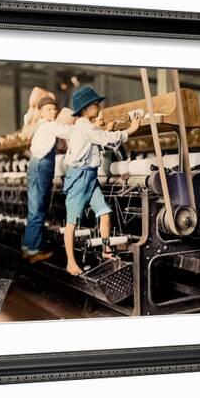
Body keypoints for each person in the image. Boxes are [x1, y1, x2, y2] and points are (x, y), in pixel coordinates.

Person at [62, 86, 141, 275]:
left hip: (90, 176)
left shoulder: (86, 126)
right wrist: (130, 130)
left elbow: (97, 137)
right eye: (95, 104)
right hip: (79, 177)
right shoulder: (83, 125)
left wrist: (105, 129)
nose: (98, 107)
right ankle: (71, 262)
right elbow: (103, 138)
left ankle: (106, 249)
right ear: (86, 108)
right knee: (71, 222)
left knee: (105, 213)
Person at [21, 96, 74, 263]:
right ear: (41, 112)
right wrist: (85, 125)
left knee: (35, 209)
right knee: (38, 209)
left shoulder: (40, 126)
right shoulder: (48, 125)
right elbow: (68, 131)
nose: (53, 111)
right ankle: (34, 251)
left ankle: (28, 248)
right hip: (41, 167)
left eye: (54, 109)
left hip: (38, 166)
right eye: (48, 109)